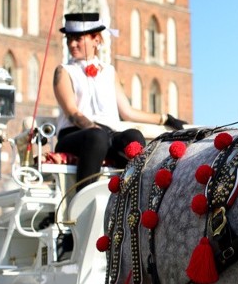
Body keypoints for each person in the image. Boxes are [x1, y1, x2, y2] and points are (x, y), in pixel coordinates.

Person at [52, 11, 179, 187]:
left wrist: (164, 118)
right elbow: (72, 112)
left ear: (96, 39)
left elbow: (127, 112)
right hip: (76, 135)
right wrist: (98, 131)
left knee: (133, 136)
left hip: (105, 135)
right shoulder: (64, 71)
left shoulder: (109, 71)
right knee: (97, 138)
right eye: (69, 39)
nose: (72, 44)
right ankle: (81, 199)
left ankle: (132, 192)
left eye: (78, 39)